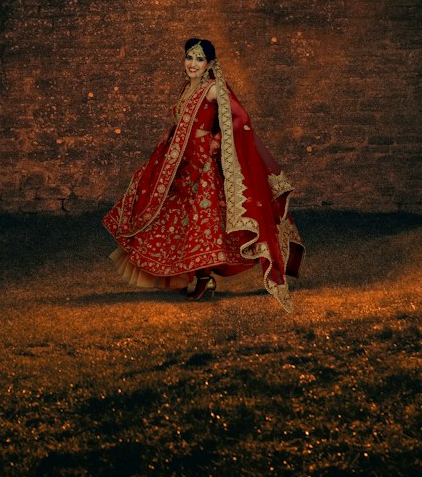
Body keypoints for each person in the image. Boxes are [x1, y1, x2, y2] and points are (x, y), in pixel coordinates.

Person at [103, 38, 304, 309]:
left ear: (209, 64)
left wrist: (217, 141)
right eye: (189, 57)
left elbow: (241, 118)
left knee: (202, 219)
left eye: (199, 59)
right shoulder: (187, 87)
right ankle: (193, 274)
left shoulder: (212, 89)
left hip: (202, 164)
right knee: (174, 215)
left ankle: (203, 276)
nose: (193, 64)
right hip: (178, 162)